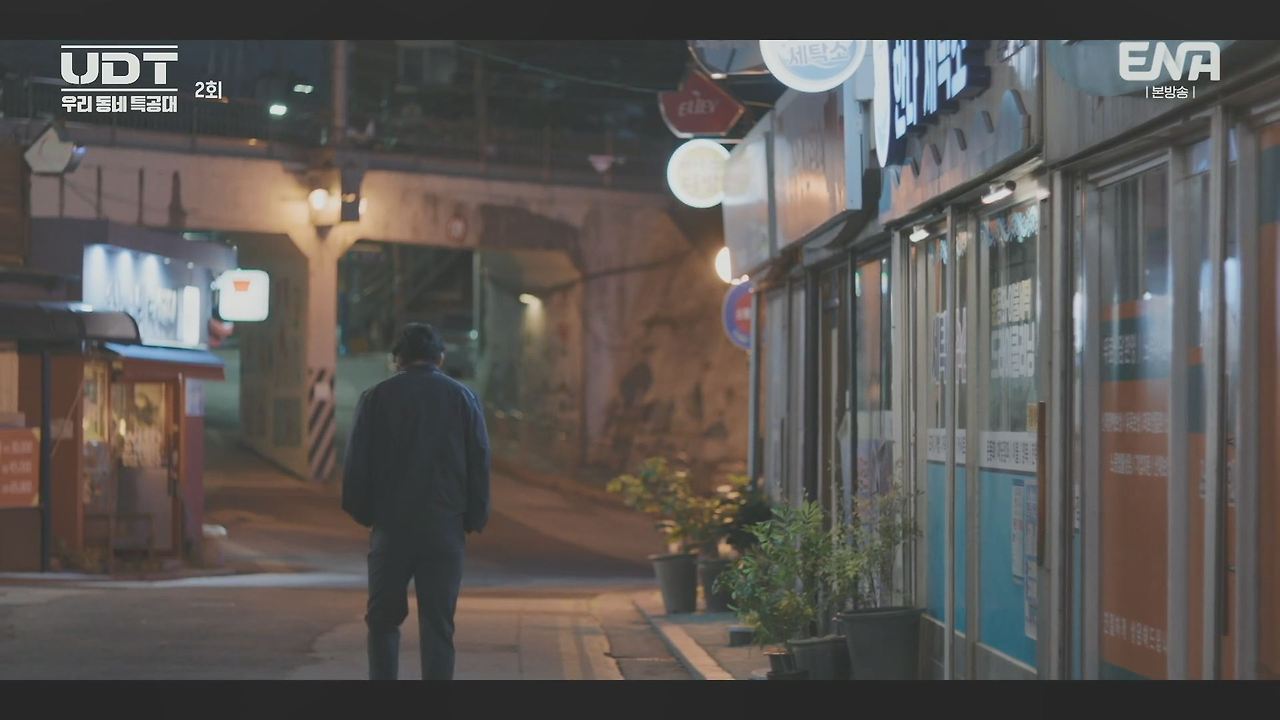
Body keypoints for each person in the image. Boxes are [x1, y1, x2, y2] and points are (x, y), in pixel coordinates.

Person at [342, 322, 491, 680]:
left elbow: (356, 465)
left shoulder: (376, 398)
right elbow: (479, 462)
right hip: (445, 528)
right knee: (438, 624)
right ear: (440, 357)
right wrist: (472, 518)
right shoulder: (463, 398)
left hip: (391, 528)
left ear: (397, 359)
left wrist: (366, 514)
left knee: (382, 620)